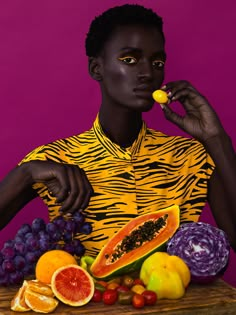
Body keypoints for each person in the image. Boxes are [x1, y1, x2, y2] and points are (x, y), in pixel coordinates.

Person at [0, 4, 235, 257]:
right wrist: (26, 173)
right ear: (96, 69)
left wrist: (216, 138)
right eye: (130, 60)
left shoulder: (191, 157)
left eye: (157, 62)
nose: (147, 73)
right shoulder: (54, 160)